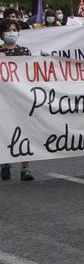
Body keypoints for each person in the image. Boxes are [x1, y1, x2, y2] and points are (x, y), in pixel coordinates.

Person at [1, 19, 35, 182]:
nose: (11, 33)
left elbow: (33, 72)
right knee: (5, 132)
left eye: (14, 30)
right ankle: (5, 162)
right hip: (3, 99)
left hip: (21, 98)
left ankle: (25, 168)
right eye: (8, 30)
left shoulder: (25, 52)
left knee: (24, 132)